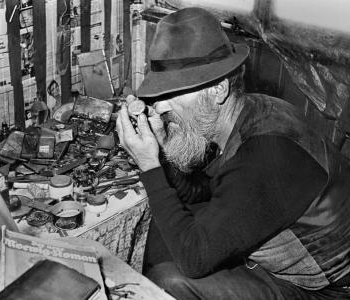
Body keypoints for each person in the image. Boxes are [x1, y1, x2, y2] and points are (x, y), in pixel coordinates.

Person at [116, 7, 350, 300]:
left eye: (173, 94)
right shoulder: (248, 112)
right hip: (283, 257)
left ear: (218, 91)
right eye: (159, 96)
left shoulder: (267, 154)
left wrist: (149, 166)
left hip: (326, 290)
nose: (160, 108)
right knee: (166, 230)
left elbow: (194, 259)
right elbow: (204, 192)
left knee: (171, 280)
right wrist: (163, 152)